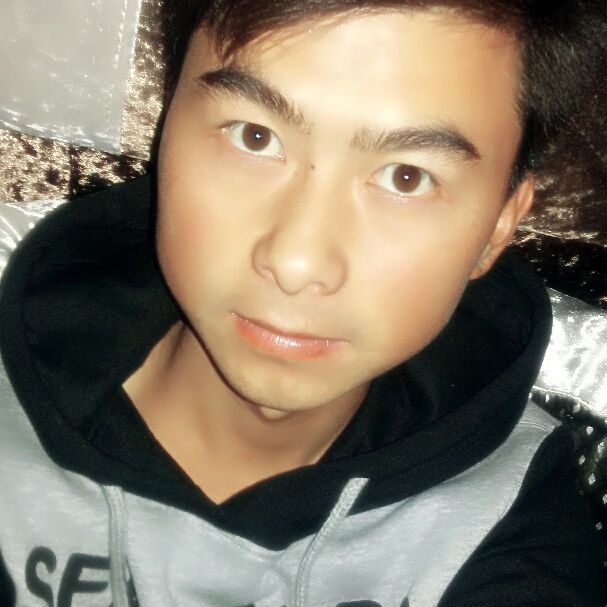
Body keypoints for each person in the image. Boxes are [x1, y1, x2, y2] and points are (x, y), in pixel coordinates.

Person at [1, 1, 606, 605]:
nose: (296, 264)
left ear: (498, 227)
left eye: (406, 177)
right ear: (165, 128)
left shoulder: (512, 521)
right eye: (255, 137)